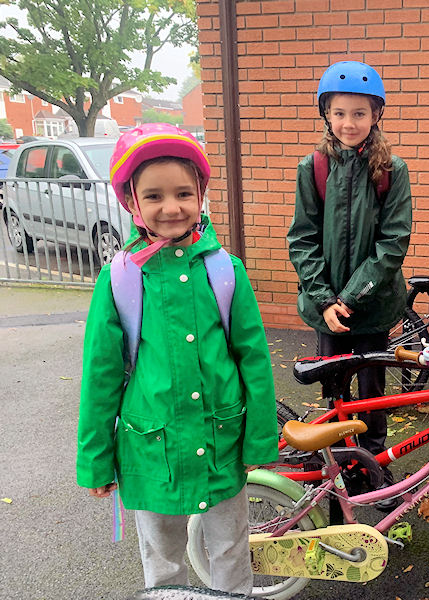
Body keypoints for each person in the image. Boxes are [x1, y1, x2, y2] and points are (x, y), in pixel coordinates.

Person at [76, 123, 278, 595]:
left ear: (201, 195)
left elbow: (254, 360)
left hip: (221, 439)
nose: (171, 207)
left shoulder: (226, 270)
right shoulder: (119, 278)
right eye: (155, 196)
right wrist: (95, 460)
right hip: (151, 446)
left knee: (230, 549)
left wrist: (259, 441)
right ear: (132, 203)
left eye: (184, 193)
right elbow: (101, 376)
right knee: (162, 558)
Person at [287, 61, 412, 480]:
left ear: (376, 114)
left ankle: (374, 462)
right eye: (339, 113)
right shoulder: (314, 168)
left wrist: (351, 298)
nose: (349, 122)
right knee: (336, 388)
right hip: (327, 310)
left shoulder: (392, 171)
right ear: (327, 114)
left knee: (372, 392)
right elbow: (302, 238)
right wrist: (326, 301)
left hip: (373, 306)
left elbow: (393, 242)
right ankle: (340, 460)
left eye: (359, 113)